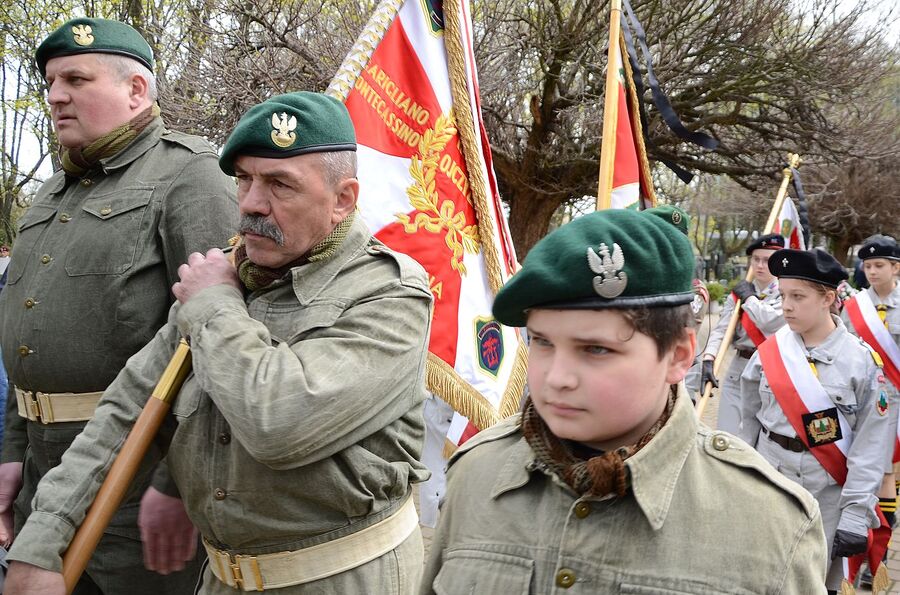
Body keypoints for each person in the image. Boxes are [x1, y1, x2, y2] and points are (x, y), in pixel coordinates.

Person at [3, 91, 433, 595]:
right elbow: (126, 410)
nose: (250, 204)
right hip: (220, 579)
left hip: (339, 580)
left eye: (280, 185)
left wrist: (213, 304)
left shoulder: (389, 294)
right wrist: (43, 539)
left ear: (343, 200)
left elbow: (279, 424)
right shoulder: (230, 277)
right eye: (245, 179)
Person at [421, 207, 827, 594]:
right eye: (542, 342)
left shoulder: (768, 521)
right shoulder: (475, 474)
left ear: (678, 356)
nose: (557, 378)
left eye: (596, 350)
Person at [0, 17, 238, 594]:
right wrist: (11, 451)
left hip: (133, 481)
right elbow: (27, 338)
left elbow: (215, 342)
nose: (55, 96)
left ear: (136, 90)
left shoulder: (190, 174)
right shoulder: (50, 193)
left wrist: (175, 483)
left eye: (76, 79)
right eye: (51, 83)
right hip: (40, 479)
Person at [739, 248, 892, 592]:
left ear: (828, 298)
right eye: (783, 296)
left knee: (817, 582)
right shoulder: (770, 353)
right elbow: (749, 424)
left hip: (828, 491)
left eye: (798, 296)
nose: (786, 306)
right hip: (770, 481)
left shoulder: (862, 362)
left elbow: (870, 446)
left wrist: (856, 513)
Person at [840, 236, 900, 588]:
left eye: (880, 265)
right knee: (862, 470)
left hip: (895, 403)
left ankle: (880, 554)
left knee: (886, 475)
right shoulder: (854, 307)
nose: (872, 271)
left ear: (896, 268)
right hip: (860, 400)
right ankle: (857, 547)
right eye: (868, 265)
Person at [701, 233, 787, 433]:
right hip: (739, 367)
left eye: (766, 260)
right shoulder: (739, 293)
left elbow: (769, 321)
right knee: (727, 432)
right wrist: (709, 358)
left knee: (758, 437)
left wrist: (749, 299)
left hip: (771, 369)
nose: (760, 265)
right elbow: (722, 330)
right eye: (756, 259)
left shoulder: (786, 292)